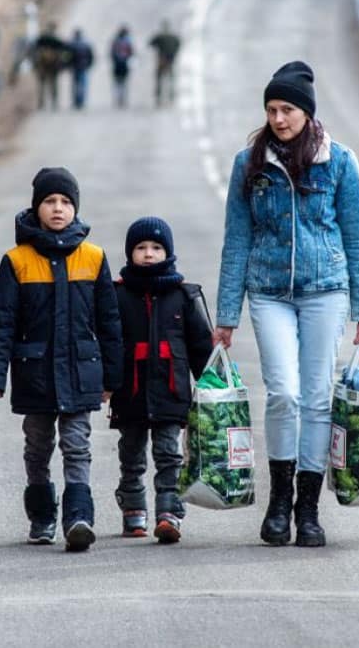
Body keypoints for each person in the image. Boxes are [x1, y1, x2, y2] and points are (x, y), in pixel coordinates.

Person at [213, 61, 359, 548]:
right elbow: (236, 240)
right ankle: (279, 501)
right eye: (271, 110)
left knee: (317, 397)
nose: (278, 119)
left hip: (326, 290)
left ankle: (308, 509)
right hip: (268, 292)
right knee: (283, 393)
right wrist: (226, 316)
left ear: (307, 112)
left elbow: (358, 237)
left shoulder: (339, 162)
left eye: (287, 109)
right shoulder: (249, 164)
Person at [0, 167, 123, 551]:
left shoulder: (93, 258)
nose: (58, 208)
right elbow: (1, 323)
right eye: (49, 201)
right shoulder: (17, 261)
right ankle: (42, 517)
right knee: (38, 446)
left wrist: (112, 377)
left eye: (65, 202)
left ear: (75, 208)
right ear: (36, 207)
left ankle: (78, 519)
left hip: (80, 372)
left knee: (77, 445)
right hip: (35, 375)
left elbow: (109, 323)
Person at [108, 217, 212, 543]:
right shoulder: (117, 295)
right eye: (141, 248)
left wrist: (212, 386)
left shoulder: (183, 295)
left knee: (169, 455)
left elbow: (201, 347)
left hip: (171, 391)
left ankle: (169, 513)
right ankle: (133, 509)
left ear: (168, 252)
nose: (149, 254)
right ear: (130, 253)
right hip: (130, 392)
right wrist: (105, 383)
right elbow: (107, 343)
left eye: (156, 247)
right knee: (131, 455)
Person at [32, 23, 71, 110]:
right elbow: (65, 53)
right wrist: (64, 65)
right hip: (53, 67)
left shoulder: (41, 39)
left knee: (42, 85)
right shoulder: (57, 40)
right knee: (54, 85)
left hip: (42, 67)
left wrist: (35, 65)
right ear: (54, 29)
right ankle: (54, 102)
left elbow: (34, 51)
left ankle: (41, 103)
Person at [148, 20, 181, 107]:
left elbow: (150, 43)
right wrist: (174, 53)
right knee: (170, 78)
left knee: (159, 78)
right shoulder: (173, 37)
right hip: (170, 60)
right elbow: (179, 43)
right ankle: (171, 95)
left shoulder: (159, 37)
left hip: (161, 60)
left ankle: (159, 97)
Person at [68, 28, 95, 110]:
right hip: (82, 67)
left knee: (76, 85)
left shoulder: (71, 44)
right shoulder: (85, 44)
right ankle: (80, 101)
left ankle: (77, 101)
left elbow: (67, 57)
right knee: (81, 85)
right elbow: (91, 56)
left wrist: (68, 65)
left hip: (76, 68)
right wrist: (89, 65)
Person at [109, 25, 135, 108]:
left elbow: (111, 53)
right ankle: (122, 99)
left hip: (118, 65)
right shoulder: (127, 42)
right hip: (123, 64)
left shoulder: (116, 41)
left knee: (118, 83)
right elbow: (132, 53)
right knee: (123, 83)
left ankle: (119, 99)